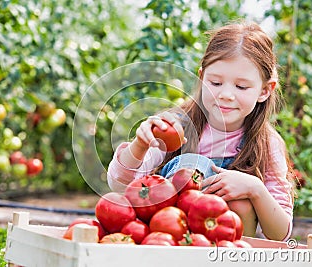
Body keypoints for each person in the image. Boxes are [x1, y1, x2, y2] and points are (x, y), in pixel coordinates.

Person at [107, 20, 295, 242]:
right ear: (202, 77)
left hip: (227, 245)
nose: (226, 94)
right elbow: (119, 186)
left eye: (241, 87)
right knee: (192, 165)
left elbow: (281, 234)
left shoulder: (267, 144)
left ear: (264, 90)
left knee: (241, 200)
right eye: (215, 83)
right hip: (170, 236)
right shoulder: (177, 127)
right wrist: (139, 145)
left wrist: (255, 188)